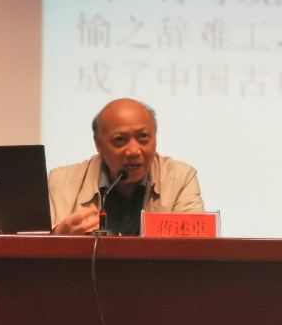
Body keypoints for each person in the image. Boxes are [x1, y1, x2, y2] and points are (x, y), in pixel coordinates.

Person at [49, 98, 205, 235]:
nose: (134, 151)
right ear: (99, 144)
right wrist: (58, 236)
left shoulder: (180, 179)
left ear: (155, 138)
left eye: (143, 137)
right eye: (119, 140)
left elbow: (196, 246)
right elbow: (36, 245)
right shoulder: (60, 182)